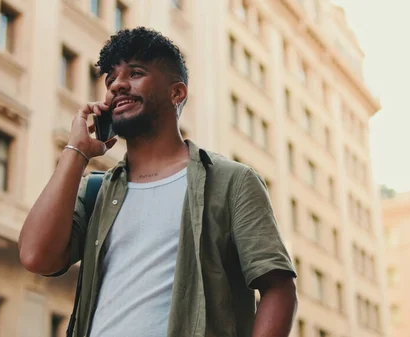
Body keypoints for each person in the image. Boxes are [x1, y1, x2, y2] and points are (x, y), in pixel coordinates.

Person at [18, 27, 297, 337]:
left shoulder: (232, 181)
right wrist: (77, 152)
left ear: (176, 93)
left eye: (135, 73)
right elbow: (35, 257)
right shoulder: (96, 191)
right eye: (110, 79)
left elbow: (278, 289)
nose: (118, 85)